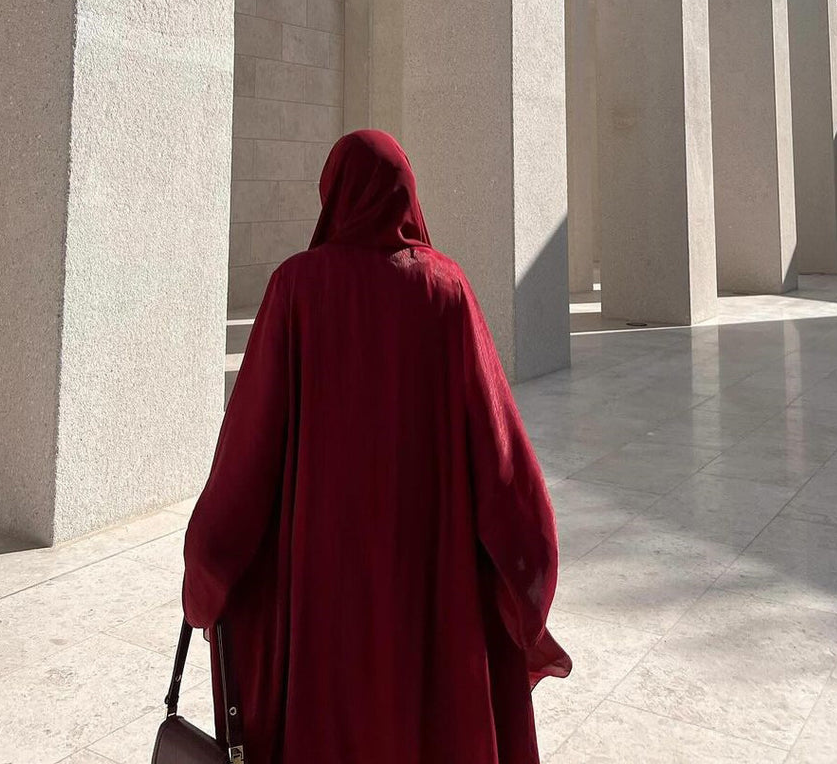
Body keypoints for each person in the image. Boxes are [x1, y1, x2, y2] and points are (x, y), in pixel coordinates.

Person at [183, 129, 570, 764]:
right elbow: (502, 459)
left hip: (321, 604)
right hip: (428, 597)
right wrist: (526, 567)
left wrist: (208, 568)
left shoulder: (296, 290)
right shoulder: (447, 292)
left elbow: (247, 456)